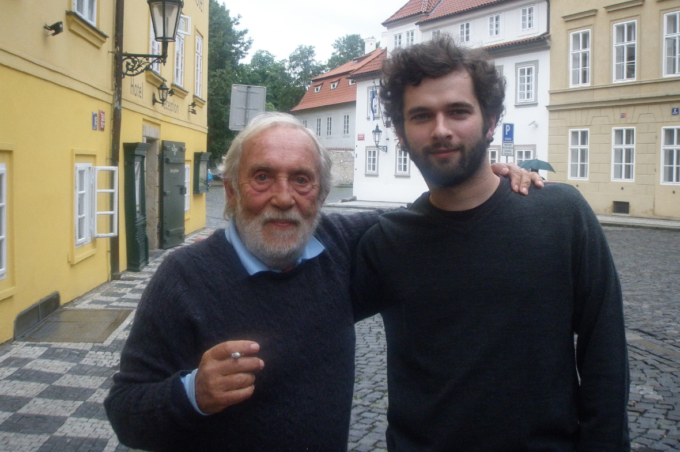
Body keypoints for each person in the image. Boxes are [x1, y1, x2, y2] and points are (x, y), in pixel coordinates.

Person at [105, 113, 539, 451]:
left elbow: (431, 220)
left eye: (301, 180)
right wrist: (194, 393)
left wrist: (488, 180)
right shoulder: (183, 278)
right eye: (262, 177)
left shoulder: (343, 246)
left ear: (323, 194)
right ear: (232, 192)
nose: (283, 197)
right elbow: (125, 413)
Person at [352, 37, 630, 451]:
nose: (441, 129)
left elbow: (604, 356)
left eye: (459, 111)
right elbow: (306, 314)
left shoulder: (560, 214)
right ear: (400, 132)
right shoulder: (387, 242)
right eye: (422, 115)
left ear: (491, 120)